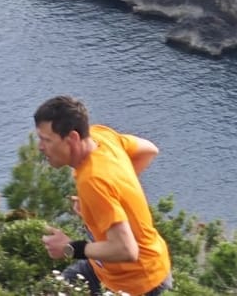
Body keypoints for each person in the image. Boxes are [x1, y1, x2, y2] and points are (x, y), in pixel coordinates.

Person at [34, 95, 172, 296]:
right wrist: (111, 196)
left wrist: (70, 248)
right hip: (103, 269)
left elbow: (126, 250)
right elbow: (149, 150)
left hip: (139, 284)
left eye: (47, 139)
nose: (40, 146)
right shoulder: (101, 137)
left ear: (72, 138)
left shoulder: (94, 181)